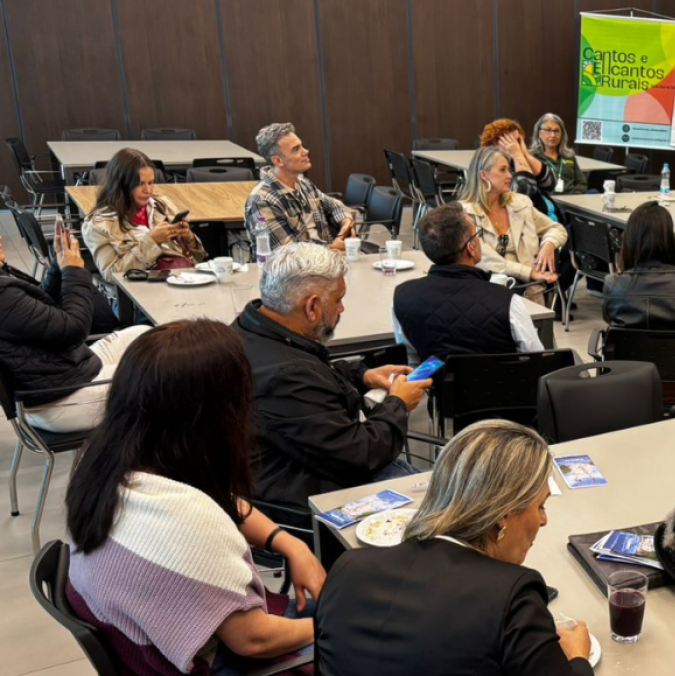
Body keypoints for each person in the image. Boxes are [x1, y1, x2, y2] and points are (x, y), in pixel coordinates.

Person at [64, 320, 323, 676]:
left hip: (149, 637)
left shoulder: (105, 464)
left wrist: (288, 543)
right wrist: (331, 626)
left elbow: (221, 500)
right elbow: (253, 640)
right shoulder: (185, 519)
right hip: (223, 661)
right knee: (371, 625)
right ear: (217, 415)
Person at [315, 420, 593, 676]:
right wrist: (578, 658)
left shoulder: (347, 566)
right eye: (540, 506)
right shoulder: (512, 597)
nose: (543, 520)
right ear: (503, 515)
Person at [235, 243, 432, 515]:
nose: (342, 308)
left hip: (294, 465)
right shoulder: (287, 375)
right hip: (309, 499)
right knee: (446, 510)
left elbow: (313, 383)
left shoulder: (253, 330)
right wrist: (398, 403)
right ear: (312, 307)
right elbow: (362, 454)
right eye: (338, 299)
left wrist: (362, 375)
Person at [0, 226, 148, 433]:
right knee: (167, 371)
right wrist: (74, 272)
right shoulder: (3, 295)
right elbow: (75, 329)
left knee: (144, 334)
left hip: (64, 372)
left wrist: (60, 266)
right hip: (63, 399)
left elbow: (39, 312)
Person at [392, 205, 544, 360]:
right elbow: (536, 358)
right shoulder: (507, 301)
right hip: (498, 376)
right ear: (471, 247)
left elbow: (410, 358)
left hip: (434, 376)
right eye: (477, 234)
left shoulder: (402, 296)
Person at [453, 145, 567, 305]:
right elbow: (484, 259)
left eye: (509, 169)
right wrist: (529, 273)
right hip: (485, 294)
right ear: (484, 175)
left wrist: (549, 244)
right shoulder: (465, 213)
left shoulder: (520, 203)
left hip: (529, 292)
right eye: (502, 170)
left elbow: (557, 228)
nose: (510, 175)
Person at [82, 147, 206, 284]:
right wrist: (151, 242)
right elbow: (111, 275)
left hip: (181, 280)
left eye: (151, 182)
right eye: (140, 184)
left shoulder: (162, 205)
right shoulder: (98, 224)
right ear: (122, 185)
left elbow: (197, 260)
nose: (148, 190)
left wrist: (189, 239)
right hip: (141, 289)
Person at [603, 201, 675, 332]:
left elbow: (610, 321)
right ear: (669, 239)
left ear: (629, 239)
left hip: (629, 346)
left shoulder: (613, 285)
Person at [245, 122, 356, 250]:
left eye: (302, 146)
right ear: (278, 161)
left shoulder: (303, 183)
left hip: (328, 257)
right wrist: (332, 247)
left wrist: (345, 222)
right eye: (296, 149)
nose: (306, 152)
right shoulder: (262, 201)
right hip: (300, 261)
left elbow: (334, 205)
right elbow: (287, 252)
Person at [530, 113, 589, 206]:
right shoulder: (532, 157)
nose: (553, 135)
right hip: (546, 204)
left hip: (571, 204)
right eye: (548, 130)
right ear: (539, 133)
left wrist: (575, 197)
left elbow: (581, 183)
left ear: (562, 134)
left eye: (557, 131)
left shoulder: (568, 156)